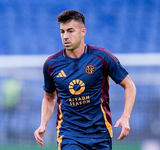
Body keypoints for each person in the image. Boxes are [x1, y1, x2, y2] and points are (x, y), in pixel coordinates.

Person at [34, 10, 136, 150]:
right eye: (62, 32)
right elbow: (49, 98)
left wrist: (125, 117)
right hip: (69, 134)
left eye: (70, 31)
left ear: (83, 32)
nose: (65, 36)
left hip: (100, 133)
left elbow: (129, 85)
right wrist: (43, 123)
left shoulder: (102, 57)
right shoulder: (51, 64)